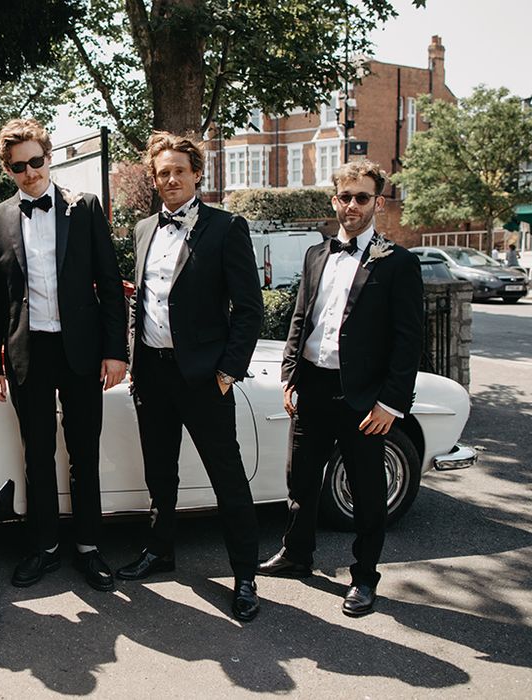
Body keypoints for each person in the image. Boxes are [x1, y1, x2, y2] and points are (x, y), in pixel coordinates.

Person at [258, 160, 423, 617]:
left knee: (368, 493)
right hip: (312, 386)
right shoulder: (317, 254)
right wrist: (290, 373)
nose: (352, 205)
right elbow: (300, 318)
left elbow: (409, 342)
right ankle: (297, 554)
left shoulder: (398, 263)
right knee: (301, 481)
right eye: (345, 197)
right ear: (334, 200)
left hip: (365, 399)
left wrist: (392, 402)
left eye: (362, 197)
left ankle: (365, 578)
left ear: (378, 203)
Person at [115, 132, 264, 622]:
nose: (171, 179)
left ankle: (245, 574)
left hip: (204, 378)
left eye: (179, 170)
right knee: (160, 474)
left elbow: (248, 309)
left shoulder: (226, 227)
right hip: (152, 377)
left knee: (228, 477)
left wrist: (227, 372)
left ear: (197, 174)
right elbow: (143, 302)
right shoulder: (142, 230)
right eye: (162, 172)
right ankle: (160, 551)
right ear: (154, 178)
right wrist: (136, 365)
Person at [0, 118, 128, 592]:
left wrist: (115, 352)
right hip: (29, 352)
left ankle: (88, 546)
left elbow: (109, 284)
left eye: (36, 161)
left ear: (50, 155)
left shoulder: (83, 207)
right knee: (37, 454)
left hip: (81, 350)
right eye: (19, 166)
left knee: (84, 450)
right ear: (9, 169)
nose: (30, 173)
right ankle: (43, 547)